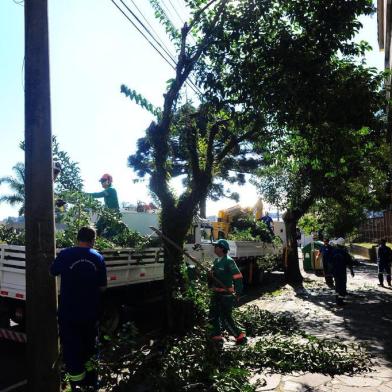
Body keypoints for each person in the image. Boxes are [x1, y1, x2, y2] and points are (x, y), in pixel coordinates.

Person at [51, 227, 107, 392]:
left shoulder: (65, 254)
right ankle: (92, 383)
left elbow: (52, 271)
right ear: (93, 239)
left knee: (72, 349)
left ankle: (76, 385)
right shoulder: (98, 258)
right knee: (90, 347)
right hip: (90, 313)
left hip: (69, 313)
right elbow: (103, 287)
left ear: (77, 238)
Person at [209, 239, 247, 346]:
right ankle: (216, 336)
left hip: (226, 295)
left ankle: (239, 335)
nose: (214, 248)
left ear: (221, 248)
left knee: (225, 318)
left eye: (216, 246)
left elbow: (238, 277)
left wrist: (238, 293)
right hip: (216, 294)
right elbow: (212, 276)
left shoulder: (229, 261)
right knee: (213, 315)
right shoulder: (216, 261)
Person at [331, 238, 354, 306]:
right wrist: (351, 271)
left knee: (337, 286)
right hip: (342, 272)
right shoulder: (344, 252)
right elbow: (349, 262)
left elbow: (330, 262)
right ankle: (340, 301)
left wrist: (331, 271)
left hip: (335, 272)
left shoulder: (333, 251)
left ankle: (337, 300)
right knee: (342, 286)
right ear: (343, 245)